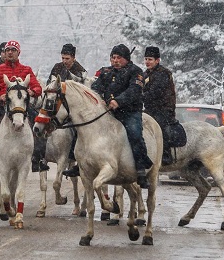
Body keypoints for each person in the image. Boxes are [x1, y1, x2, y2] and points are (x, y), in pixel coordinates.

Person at [90, 44, 153, 188]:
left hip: (130, 112)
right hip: (109, 112)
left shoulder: (136, 72)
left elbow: (134, 90)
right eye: (113, 57)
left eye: (119, 58)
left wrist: (119, 101)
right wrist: (106, 99)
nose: (115, 60)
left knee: (134, 133)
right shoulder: (106, 72)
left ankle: (141, 169)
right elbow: (95, 88)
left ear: (126, 59)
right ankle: (77, 160)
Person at [0, 40, 42, 170]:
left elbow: (37, 87)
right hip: (3, 107)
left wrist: (32, 91)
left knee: (40, 124)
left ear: (18, 53)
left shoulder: (26, 69)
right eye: (7, 50)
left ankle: (38, 158)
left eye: (13, 50)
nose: (9, 52)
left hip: (23, 108)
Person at [51, 43, 87, 177]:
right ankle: (39, 153)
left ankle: (74, 156)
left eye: (67, 58)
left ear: (73, 58)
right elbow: (52, 84)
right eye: (63, 58)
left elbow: (81, 92)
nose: (64, 61)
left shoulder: (80, 71)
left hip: (74, 107)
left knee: (80, 130)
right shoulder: (57, 67)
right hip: (57, 104)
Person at [142, 46, 178, 165]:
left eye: (150, 59)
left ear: (157, 60)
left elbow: (155, 92)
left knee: (161, 126)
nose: (147, 62)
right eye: (146, 59)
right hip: (149, 109)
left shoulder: (163, 74)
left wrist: (139, 95)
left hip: (163, 109)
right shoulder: (145, 74)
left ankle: (165, 154)